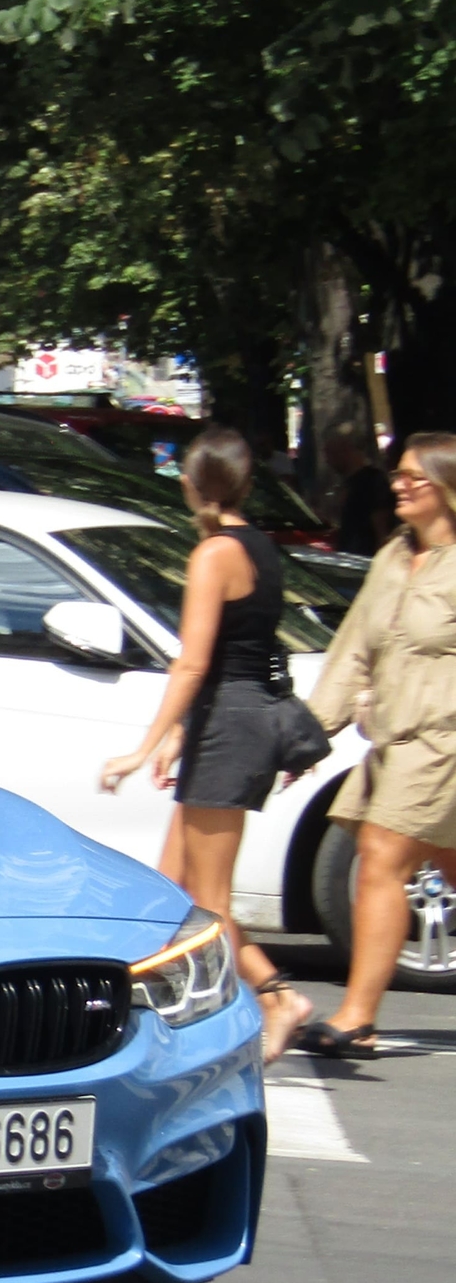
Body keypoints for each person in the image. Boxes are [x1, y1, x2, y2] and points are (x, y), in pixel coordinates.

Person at [100, 429, 312, 1059]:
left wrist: (147, 745)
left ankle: (270, 1002)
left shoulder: (214, 553)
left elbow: (192, 664)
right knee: (176, 887)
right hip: (230, 722)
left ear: (192, 484)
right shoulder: (258, 547)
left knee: (209, 902)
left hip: (231, 729)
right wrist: (183, 735)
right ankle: (172, 1019)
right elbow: (236, 655)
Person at [294, 433, 456, 1055]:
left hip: (443, 740)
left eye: (416, 477)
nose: (400, 484)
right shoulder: (393, 556)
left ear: (446, 487)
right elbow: (354, 649)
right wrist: (313, 732)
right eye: (398, 475)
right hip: (392, 738)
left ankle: (358, 1016)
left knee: (382, 858)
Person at [323, 425, 397, 558]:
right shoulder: (345, 483)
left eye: (330, 452)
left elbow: (382, 528)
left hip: (365, 560)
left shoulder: (372, 481)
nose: (327, 460)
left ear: (345, 450)